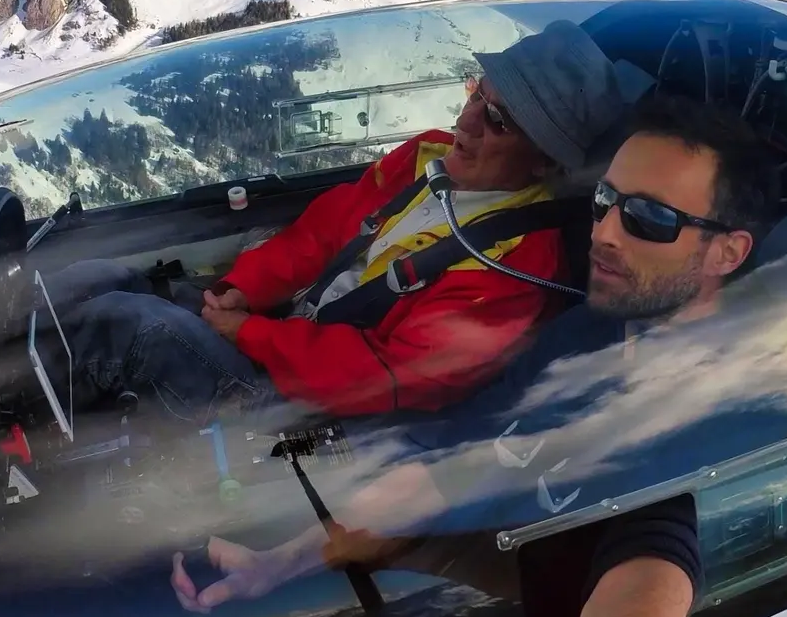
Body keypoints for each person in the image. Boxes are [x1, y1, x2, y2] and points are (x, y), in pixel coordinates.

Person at [171, 94, 778, 617]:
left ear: (727, 252)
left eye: (649, 219)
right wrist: (280, 563)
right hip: (476, 566)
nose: (604, 231)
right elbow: (451, 461)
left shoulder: (701, 404)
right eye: (605, 199)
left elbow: (640, 614)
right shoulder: (590, 333)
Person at [43, 21, 646, 422]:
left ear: (544, 157)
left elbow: (385, 378)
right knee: (98, 277)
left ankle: (2, 430)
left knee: (130, 326)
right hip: (285, 332)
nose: (466, 123)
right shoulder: (427, 157)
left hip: (306, 411)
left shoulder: (514, 265)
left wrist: (249, 335)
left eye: (499, 121)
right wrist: (241, 290)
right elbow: (323, 233)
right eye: (476, 96)